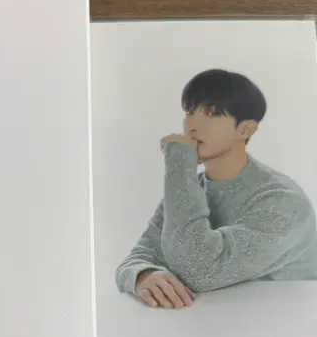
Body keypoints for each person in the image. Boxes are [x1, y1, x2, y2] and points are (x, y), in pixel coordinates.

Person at [115, 68, 317, 309]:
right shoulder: (190, 187)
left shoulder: (283, 202)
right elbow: (139, 255)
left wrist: (179, 161)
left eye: (212, 113)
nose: (192, 125)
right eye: (190, 111)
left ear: (246, 129)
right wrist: (144, 274)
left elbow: (199, 270)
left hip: (283, 325)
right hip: (205, 324)